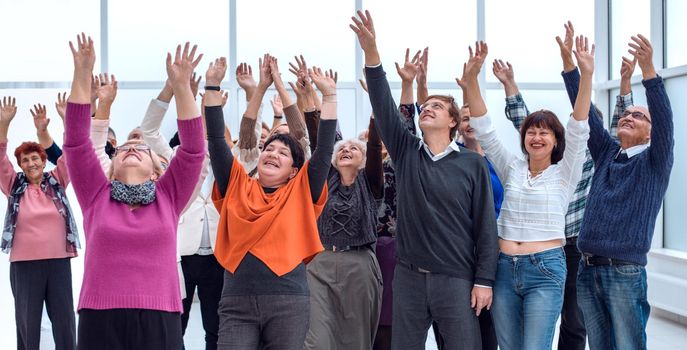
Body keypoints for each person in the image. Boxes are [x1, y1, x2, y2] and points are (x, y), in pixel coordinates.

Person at [351, 10, 499, 349]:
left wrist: (484, 280)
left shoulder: (471, 164)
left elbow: (485, 228)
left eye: (436, 107)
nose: (427, 109)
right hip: (409, 279)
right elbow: (384, 107)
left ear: (452, 121)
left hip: (457, 281)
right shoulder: (406, 152)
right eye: (425, 106)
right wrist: (372, 53)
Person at [63, 35, 206, 349]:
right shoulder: (96, 195)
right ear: (111, 167)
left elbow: (194, 150)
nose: (131, 148)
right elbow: (75, 143)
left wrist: (182, 88)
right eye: (125, 148)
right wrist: (82, 75)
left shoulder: (169, 196)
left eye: (141, 148)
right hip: (99, 314)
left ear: (157, 170)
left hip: (160, 315)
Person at [463, 37, 592, 349]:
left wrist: (585, 75)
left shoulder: (565, 173)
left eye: (544, 132)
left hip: (546, 268)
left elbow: (578, 127)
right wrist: (471, 82)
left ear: (556, 141)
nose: (536, 136)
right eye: (531, 131)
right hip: (504, 267)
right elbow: (485, 130)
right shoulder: (512, 168)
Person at [208, 55, 338, 349]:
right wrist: (213, 85)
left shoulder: (302, 190)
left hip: (288, 302)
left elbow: (323, 147)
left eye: (283, 152)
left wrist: (328, 97)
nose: (272, 153)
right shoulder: (237, 184)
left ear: (294, 169)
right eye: (270, 148)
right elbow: (217, 140)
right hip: (236, 301)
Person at [560, 33, 674, 350]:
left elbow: (664, 117)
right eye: (626, 113)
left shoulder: (655, 161)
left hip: (624, 272)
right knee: (599, 345)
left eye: (638, 116)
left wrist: (649, 72)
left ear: (651, 132)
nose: (627, 116)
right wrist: (573, 68)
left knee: (627, 346)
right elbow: (585, 118)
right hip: (587, 267)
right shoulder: (607, 153)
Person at [139, 60, 225, 350]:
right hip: (181, 255)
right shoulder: (174, 156)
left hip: (217, 255)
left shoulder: (228, 162)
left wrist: (208, 103)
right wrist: (173, 91)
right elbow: (148, 130)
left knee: (216, 327)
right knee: (177, 323)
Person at [1, 98, 79, 350]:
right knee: (27, 323)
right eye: (25, 160)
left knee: (65, 321)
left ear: (44, 161)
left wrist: (62, 123)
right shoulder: (13, 185)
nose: (31, 163)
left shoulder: (57, 181)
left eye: (35, 158)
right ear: (20, 165)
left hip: (58, 262)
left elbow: (73, 154)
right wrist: (3, 124)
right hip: (24, 265)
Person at [304, 112, 384, 349]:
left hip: (359, 266)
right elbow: (319, 143)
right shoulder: (325, 181)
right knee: (316, 341)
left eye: (354, 148)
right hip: (320, 264)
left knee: (355, 340)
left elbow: (375, 145)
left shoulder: (371, 183)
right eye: (341, 148)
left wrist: (374, 116)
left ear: (364, 159)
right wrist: (310, 109)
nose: (346, 149)